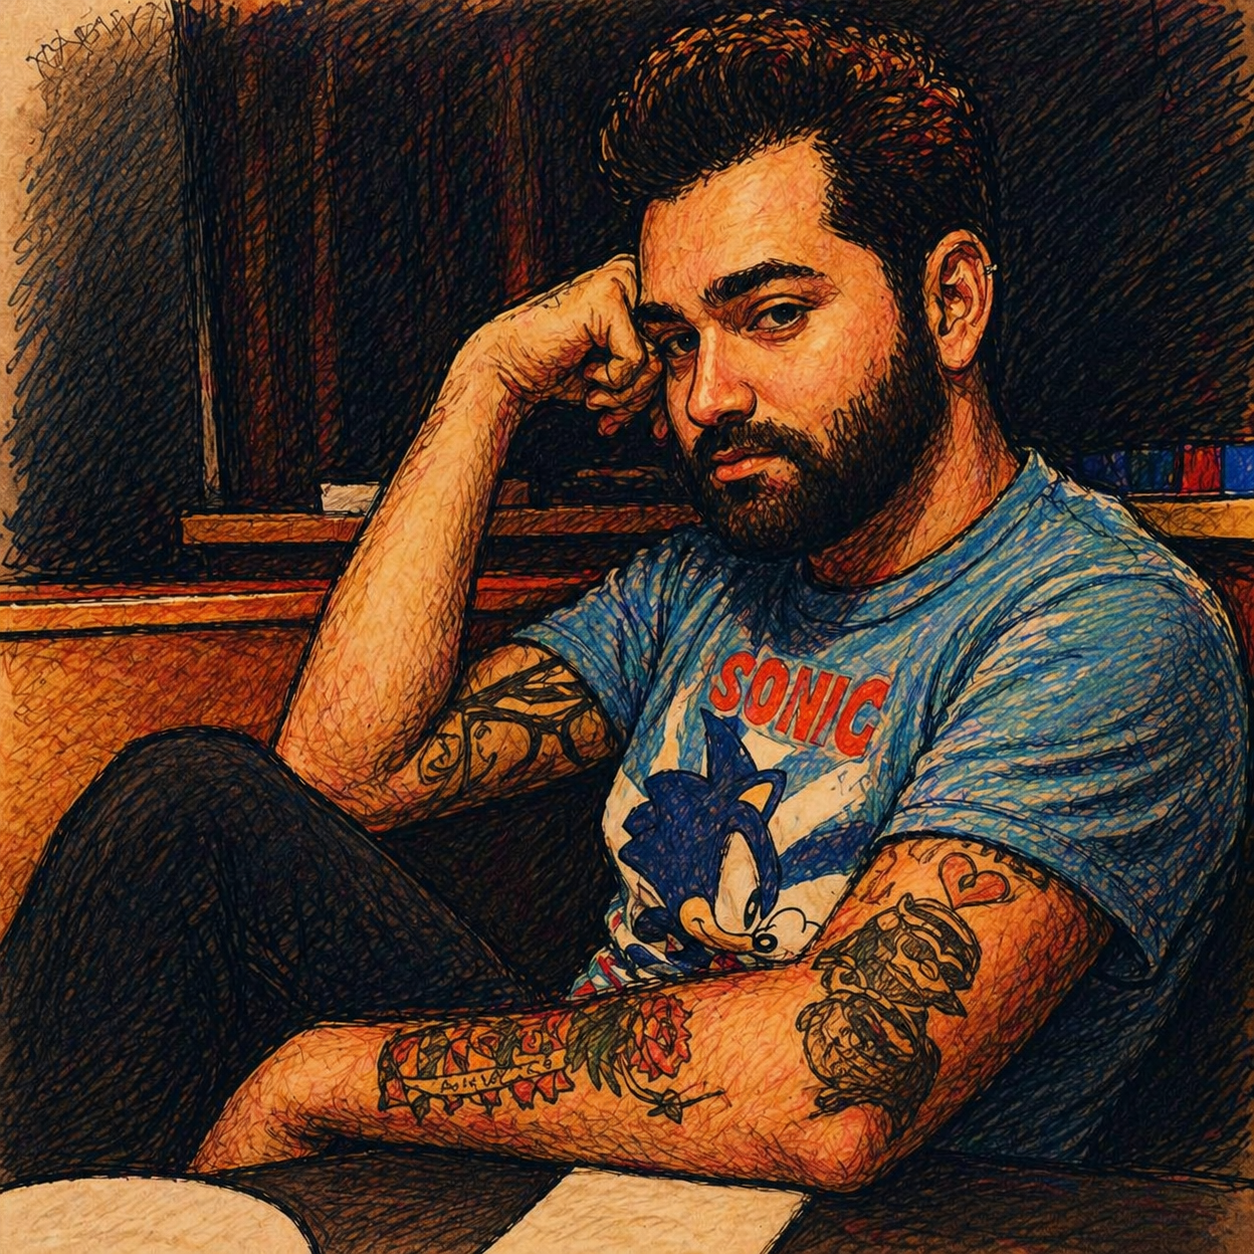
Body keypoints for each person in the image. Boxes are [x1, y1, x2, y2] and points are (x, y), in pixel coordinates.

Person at [0, 10, 1247, 1190]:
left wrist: (322, 1080)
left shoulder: (1107, 625)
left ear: (951, 302)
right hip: (595, 1153)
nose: (706, 397)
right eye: (676, 339)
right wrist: (487, 380)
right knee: (191, 804)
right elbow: (342, 772)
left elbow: (833, 1092)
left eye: (773, 316)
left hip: (844, 1212)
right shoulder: (702, 580)